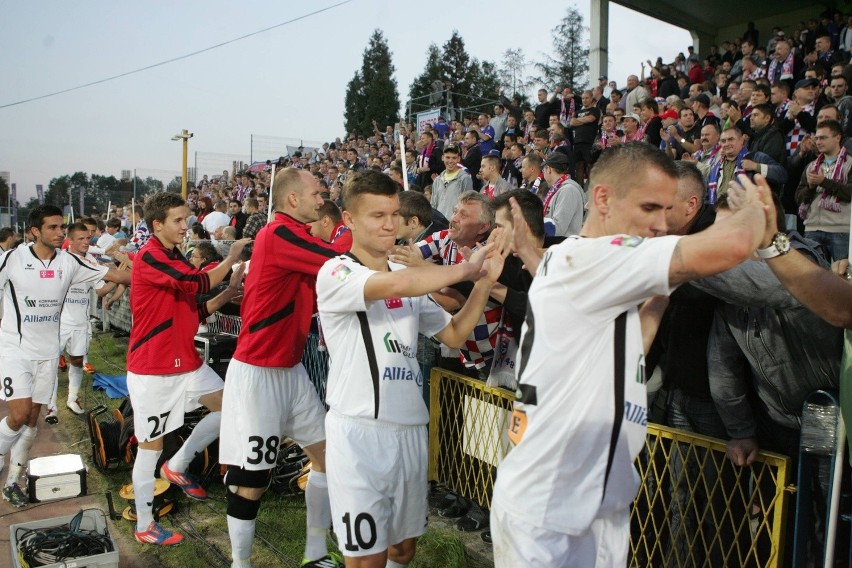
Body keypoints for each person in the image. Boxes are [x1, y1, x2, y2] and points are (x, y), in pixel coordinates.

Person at [490, 143, 772, 567]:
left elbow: (629, 347)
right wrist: (753, 204)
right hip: (550, 510)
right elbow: (733, 245)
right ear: (603, 198)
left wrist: (661, 291)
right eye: (650, 207)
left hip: (596, 503)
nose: (662, 224)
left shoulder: (580, 265)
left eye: (668, 210)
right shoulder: (592, 257)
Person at [316, 169, 506, 567]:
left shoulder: (408, 276)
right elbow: (395, 287)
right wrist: (468, 268)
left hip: (410, 431)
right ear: (349, 220)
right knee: (367, 558)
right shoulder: (336, 272)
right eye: (375, 215)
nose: (388, 224)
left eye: (392, 214)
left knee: (403, 548)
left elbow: (454, 335)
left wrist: (485, 283)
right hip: (359, 433)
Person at [219, 168, 350, 568]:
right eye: (317, 192)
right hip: (258, 373)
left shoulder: (297, 235)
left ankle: (314, 553)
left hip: (290, 369)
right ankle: (240, 563)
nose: (322, 198)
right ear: (293, 199)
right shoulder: (277, 233)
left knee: (326, 456)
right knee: (253, 480)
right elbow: (340, 260)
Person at [127, 192, 249, 546]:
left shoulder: (171, 254)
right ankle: (145, 524)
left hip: (185, 362)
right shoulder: (150, 255)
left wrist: (228, 294)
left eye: (187, 219)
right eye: (179, 221)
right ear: (157, 225)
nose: (186, 226)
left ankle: (177, 466)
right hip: (154, 371)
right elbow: (197, 283)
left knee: (231, 409)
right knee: (149, 448)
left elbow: (192, 310)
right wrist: (231, 258)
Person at [0, 205, 130, 507]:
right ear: (35, 231)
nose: (60, 232)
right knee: (18, 415)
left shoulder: (69, 262)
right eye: (53, 228)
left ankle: (11, 483)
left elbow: (114, 276)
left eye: (62, 227)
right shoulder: (13, 259)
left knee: (33, 421)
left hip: (46, 354)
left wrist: (170, 282)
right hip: (15, 351)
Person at [729, 175, 852, 329]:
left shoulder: (801, 256)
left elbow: (842, 309)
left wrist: (770, 242)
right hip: (812, 226)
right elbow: (799, 196)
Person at [46, 223, 117, 423]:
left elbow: (101, 291)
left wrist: (115, 278)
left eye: (88, 239)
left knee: (77, 361)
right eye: (81, 239)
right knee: (52, 364)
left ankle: (72, 399)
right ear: (71, 240)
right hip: (59, 323)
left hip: (81, 323)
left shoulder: (91, 261)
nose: (86, 242)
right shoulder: (60, 259)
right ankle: (51, 406)